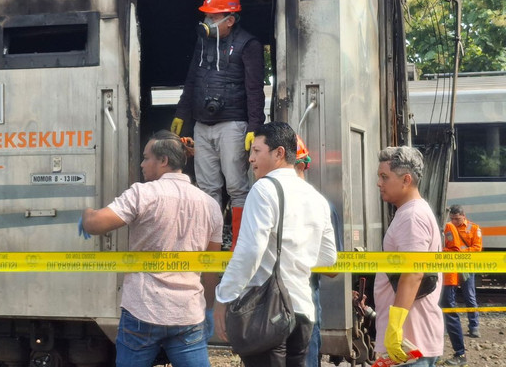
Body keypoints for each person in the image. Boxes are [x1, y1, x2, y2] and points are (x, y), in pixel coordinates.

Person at [78, 130, 224, 367]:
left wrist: (86, 214)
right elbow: (210, 267)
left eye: (146, 158)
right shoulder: (210, 205)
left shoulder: (143, 194)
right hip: (188, 314)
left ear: (163, 161)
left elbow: (96, 225)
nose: (142, 163)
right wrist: (207, 309)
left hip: (143, 312)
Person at [213, 122, 337, 367]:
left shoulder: (264, 189)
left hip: (267, 312)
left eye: (257, 151)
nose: (250, 159)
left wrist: (223, 297)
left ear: (279, 153)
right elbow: (328, 259)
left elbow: (249, 251)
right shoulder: (317, 198)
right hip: (303, 312)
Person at [170, 0, 265, 250]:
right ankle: (210, 247)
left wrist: (254, 127)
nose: (207, 22)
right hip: (202, 125)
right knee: (207, 188)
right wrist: (182, 115)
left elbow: (255, 90)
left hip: (233, 125)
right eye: (207, 16)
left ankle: (240, 248)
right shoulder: (202, 43)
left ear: (230, 19)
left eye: (213, 17)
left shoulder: (249, 44)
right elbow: (192, 81)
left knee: (237, 187)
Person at [374, 146, 444, 367]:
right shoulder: (411, 212)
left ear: (406, 180)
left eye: (384, 177)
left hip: (408, 343)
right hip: (411, 342)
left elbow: (414, 272)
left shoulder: (412, 217)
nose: (379, 183)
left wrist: (394, 329)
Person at [296, 135, 344, 367]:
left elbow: (333, 268)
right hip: (300, 302)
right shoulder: (323, 205)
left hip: (299, 303)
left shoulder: (320, 206)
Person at [440, 204, 482, 366]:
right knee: (450, 301)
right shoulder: (449, 227)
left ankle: (474, 326)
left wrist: (458, 254)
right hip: (452, 268)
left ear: (463, 216)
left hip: (466, 267)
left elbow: (476, 248)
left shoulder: (473, 228)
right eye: (453, 219)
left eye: (458, 219)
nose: (455, 222)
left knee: (469, 297)